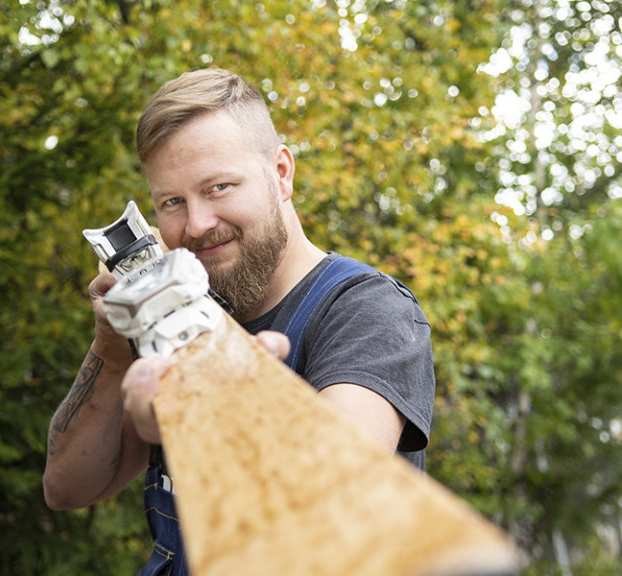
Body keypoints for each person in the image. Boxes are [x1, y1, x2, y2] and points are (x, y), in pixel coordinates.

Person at [43, 68, 436, 575]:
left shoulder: (368, 310)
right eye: (172, 202)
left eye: (219, 187)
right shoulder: (171, 315)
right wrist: (113, 343)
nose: (197, 223)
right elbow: (66, 488)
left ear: (281, 173)